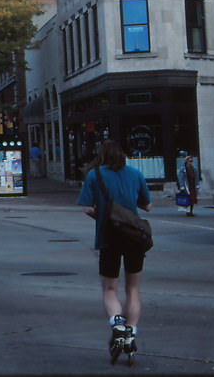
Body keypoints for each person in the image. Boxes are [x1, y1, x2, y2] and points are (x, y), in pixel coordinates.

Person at [77, 140, 151, 361]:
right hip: (134, 239)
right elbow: (147, 205)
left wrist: (105, 217)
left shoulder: (94, 176)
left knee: (110, 288)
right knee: (133, 289)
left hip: (108, 237)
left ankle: (117, 325)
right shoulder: (135, 174)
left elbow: (87, 208)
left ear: (102, 155)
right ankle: (130, 334)